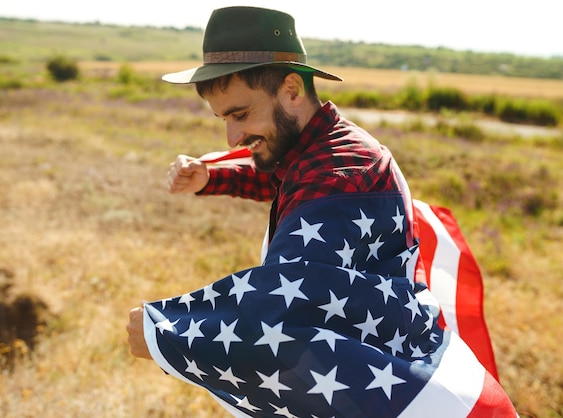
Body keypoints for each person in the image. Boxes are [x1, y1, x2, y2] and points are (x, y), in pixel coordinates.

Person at [126, 6, 517, 417]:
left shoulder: (341, 174)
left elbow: (279, 311)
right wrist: (212, 178)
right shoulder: (318, 147)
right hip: (373, 372)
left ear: (292, 90)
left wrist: (163, 333)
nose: (232, 136)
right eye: (224, 118)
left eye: (240, 114)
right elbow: (281, 179)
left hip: (398, 393)